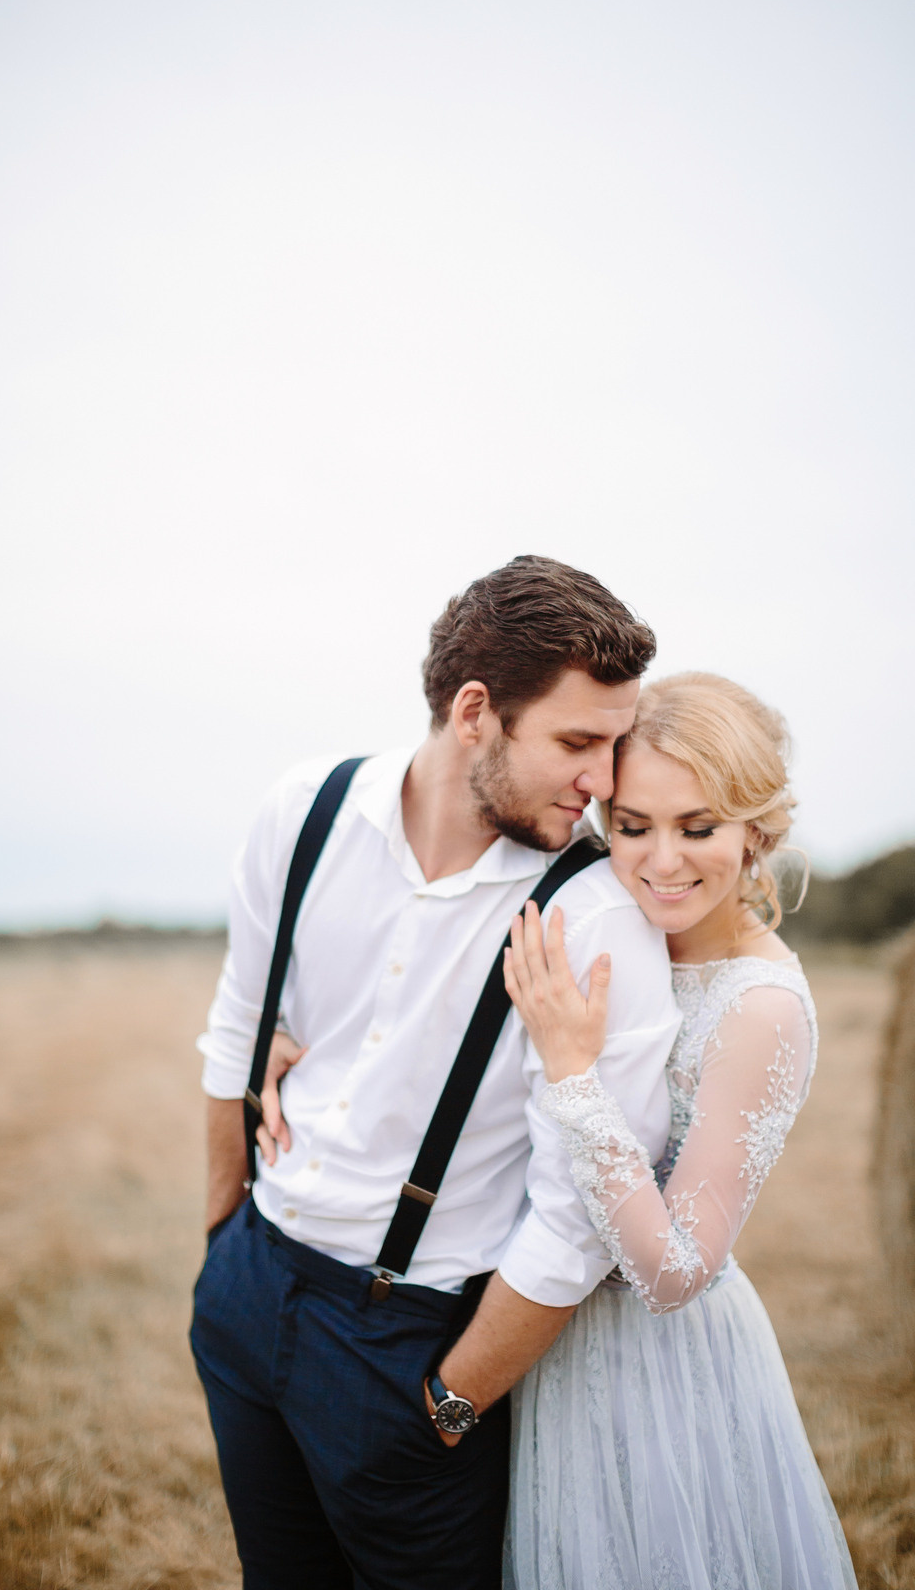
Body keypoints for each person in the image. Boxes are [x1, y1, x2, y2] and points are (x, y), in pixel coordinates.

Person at [189, 555, 683, 1590]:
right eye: (575, 742)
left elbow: (583, 1211)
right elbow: (239, 1024)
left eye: (614, 744)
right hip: (247, 1294)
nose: (604, 780)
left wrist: (450, 1403)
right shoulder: (304, 809)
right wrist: (218, 1249)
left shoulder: (592, 916)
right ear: (474, 712)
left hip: (407, 1345)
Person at [503, 672, 859, 1590]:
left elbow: (671, 1273)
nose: (661, 861)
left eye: (697, 828)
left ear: (759, 833)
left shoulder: (760, 1008)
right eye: (631, 827)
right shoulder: (605, 931)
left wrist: (573, 1076)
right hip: (544, 1331)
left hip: (658, 1369)